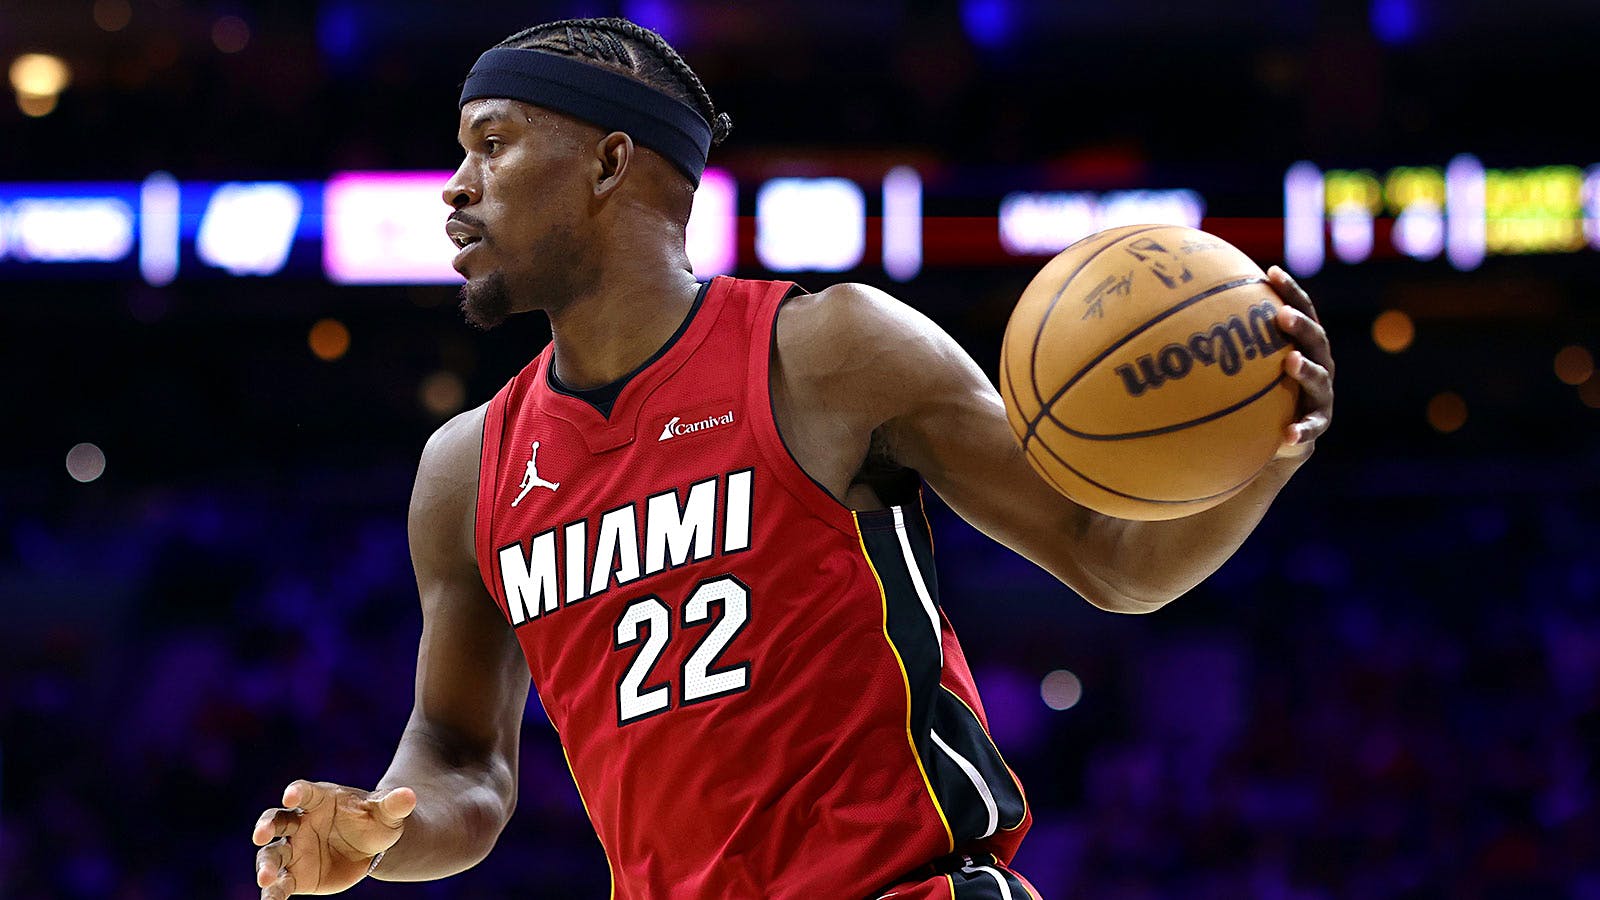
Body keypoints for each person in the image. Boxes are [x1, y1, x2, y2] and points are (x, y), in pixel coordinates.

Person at [251, 17, 1335, 900]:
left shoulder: (830, 355)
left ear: (610, 163)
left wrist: (1268, 445)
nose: (454, 184)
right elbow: (460, 760)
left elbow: (1116, 560)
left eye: (490, 144)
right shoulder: (465, 469)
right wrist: (383, 832)